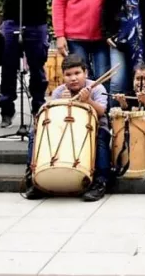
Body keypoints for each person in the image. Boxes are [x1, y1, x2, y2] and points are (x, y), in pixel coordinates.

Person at [23, 55, 111, 201]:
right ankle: (31, 177)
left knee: (102, 135)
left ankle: (100, 181)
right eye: (68, 75)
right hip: (63, 128)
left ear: (86, 73)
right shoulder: (59, 91)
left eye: (77, 73)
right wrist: (61, 101)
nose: (73, 78)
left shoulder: (96, 87)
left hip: (95, 127)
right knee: (35, 133)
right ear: (63, 76)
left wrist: (88, 101)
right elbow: (51, 113)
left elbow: (102, 111)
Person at [0, 0, 57, 127]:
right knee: (7, 67)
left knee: (37, 69)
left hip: (37, 23)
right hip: (12, 20)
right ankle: (7, 110)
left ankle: (38, 107)